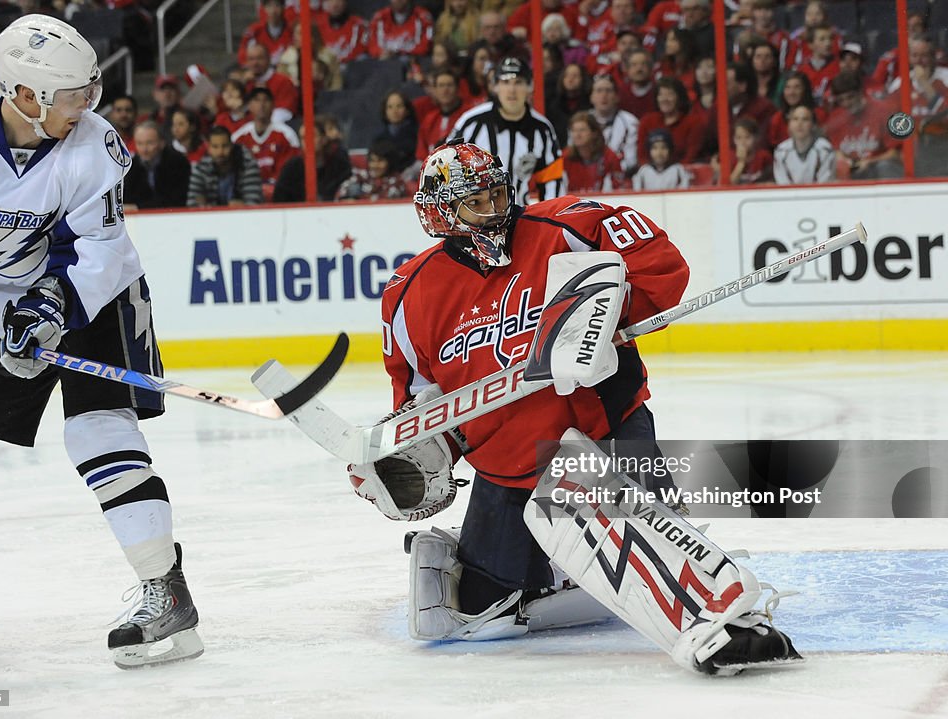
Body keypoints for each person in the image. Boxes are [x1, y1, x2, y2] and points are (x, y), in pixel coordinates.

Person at [347, 139, 799, 673]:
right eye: (477, 203)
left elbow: (665, 269)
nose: (495, 211)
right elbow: (426, 409)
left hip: (601, 436)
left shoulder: (570, 226)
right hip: (506, 468)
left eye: (498, 194)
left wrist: (604, 312)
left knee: (629, 545)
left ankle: (713, 610)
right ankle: (571, 569)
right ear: (441, 213)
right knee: (476, 612)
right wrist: (404, 456)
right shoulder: (408, 295)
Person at [0, 14, 202, 668]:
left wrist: (53, 306)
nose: (88, 106)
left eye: (89, 90)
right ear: (22, 94)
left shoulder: (94, 145)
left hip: (95, 300)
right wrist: (18, 315)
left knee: (98, 430)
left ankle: (167, 593)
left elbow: (98, 249)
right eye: (72, 95)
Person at [452, 57, 565, 204]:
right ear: (495, 86)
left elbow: (552, 181)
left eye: (518, 82)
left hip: (520, 217)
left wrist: (551, 218)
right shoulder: (471, 123)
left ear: (530, 86)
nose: (512, 90)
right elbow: (448, 167)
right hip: (477, 219)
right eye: (505, 82)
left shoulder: (542, 129)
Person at [232, 86, 300, 199]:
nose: (262, 105)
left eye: (266, 100)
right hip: (247, 194)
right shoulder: (239, 137)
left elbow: (291, 171)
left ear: (273, 105)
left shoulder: (287, 134)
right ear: (249, 106)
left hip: (280, 194)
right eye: (257, 100)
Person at [187, 126, 264, 207]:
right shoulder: (201, 168)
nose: (220, 152)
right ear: (208, 148)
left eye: (225, 146)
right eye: (215, 147)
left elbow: (254, 204)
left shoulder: (247, 165)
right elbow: (192, 203)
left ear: (231, 146)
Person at [123, 120, 192, 209]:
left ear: (162, 143)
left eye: (150, 143)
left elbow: (175, 200)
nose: (144, 149)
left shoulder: (178, 162)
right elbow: (127, 198)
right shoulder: (131, 166)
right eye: (139, 143)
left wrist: (138, 207)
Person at [773, 105, 834, 185]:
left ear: (813, 125)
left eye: (805, 119)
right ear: (789, 124)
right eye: (795, 119)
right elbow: (783, 184)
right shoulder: (781, 151)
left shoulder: (825, 149)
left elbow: (824, 184)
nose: (799, 124)